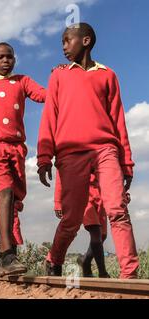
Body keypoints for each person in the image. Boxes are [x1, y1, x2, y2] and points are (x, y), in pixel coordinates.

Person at [37, 23, 139, 279]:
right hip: (71, 152)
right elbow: (50, 116)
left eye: (66, 40)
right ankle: (55, 259)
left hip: (106, 149)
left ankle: (130, 274)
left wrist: (126, 162)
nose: (63, 47)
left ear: (86, 40)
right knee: (71, 218)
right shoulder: (59, 75)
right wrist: (44, 156)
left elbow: (118, 121)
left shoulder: (107, 75)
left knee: (117, 209)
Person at [0, 42, 46, 276]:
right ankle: (6, 255)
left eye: (9, 57)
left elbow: (43, 95)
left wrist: (61, 78)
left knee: (13, 197)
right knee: (4, 191)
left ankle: (10, 252)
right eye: (1, 57)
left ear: (15, 59)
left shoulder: (22, 81)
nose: (5, 61)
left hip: (16, 147)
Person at [0, 190, 24, 254]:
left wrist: (16, 201)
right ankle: (6, 258)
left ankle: (12, 259)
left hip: (14, 222)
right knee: (6, 240)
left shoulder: (13, 190)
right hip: (4, 222)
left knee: (14, 242)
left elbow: (21, 208)